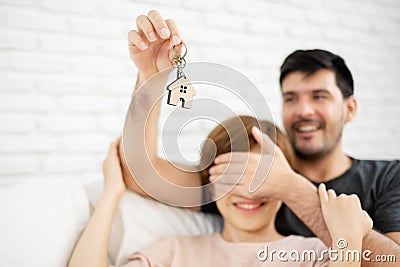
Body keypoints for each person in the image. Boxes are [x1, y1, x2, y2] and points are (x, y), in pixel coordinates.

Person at [122, 10, 400, 266]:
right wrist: (151, 79)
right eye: (291, 98)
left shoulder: (388, 177)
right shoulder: (244, 171)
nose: (303, 110)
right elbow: (142, 176)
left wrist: (289, 187)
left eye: (319, 97)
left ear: (349, 108)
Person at [68, 116, 373, 267]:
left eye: (261, 176)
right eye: (231, 176)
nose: (247, 192)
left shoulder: (314, 255)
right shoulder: (174, 253)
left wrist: (347, 244)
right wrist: (112, 193)